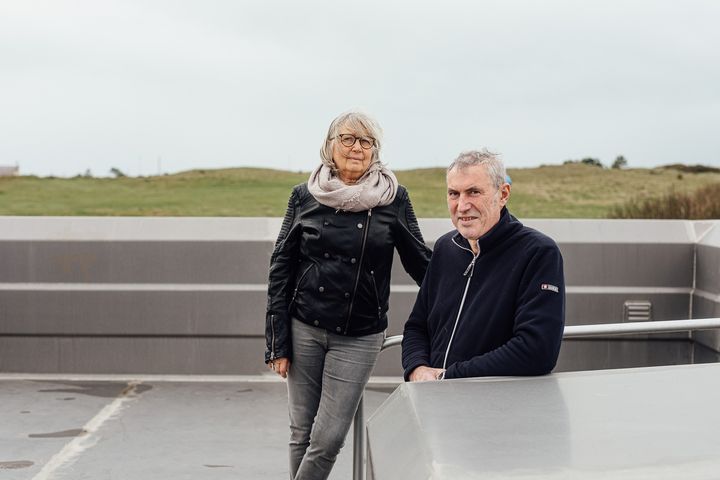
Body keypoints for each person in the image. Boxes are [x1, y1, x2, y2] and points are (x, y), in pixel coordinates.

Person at [265, 110, 432, 479]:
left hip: (359, 336)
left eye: (366, 141)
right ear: (329, 145)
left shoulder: (394, 199)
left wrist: (470, 277)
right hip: (304, 326)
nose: (357, 148)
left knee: (327, 439)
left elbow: (422, 264)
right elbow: (281, 268)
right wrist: (277, 342)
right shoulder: (304, 196)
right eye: (348, 139)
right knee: (301, 433)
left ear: (376, 151)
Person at [402, 149, 565, 381]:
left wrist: (449, 377)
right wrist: (417, 368)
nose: (462, 205)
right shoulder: (445, 248)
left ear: (503, 194)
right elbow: (417, 326)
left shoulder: (537, 253)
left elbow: (537, 350)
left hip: (497, 408)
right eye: (454, 194)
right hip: (436, 403)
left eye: (474, 192)